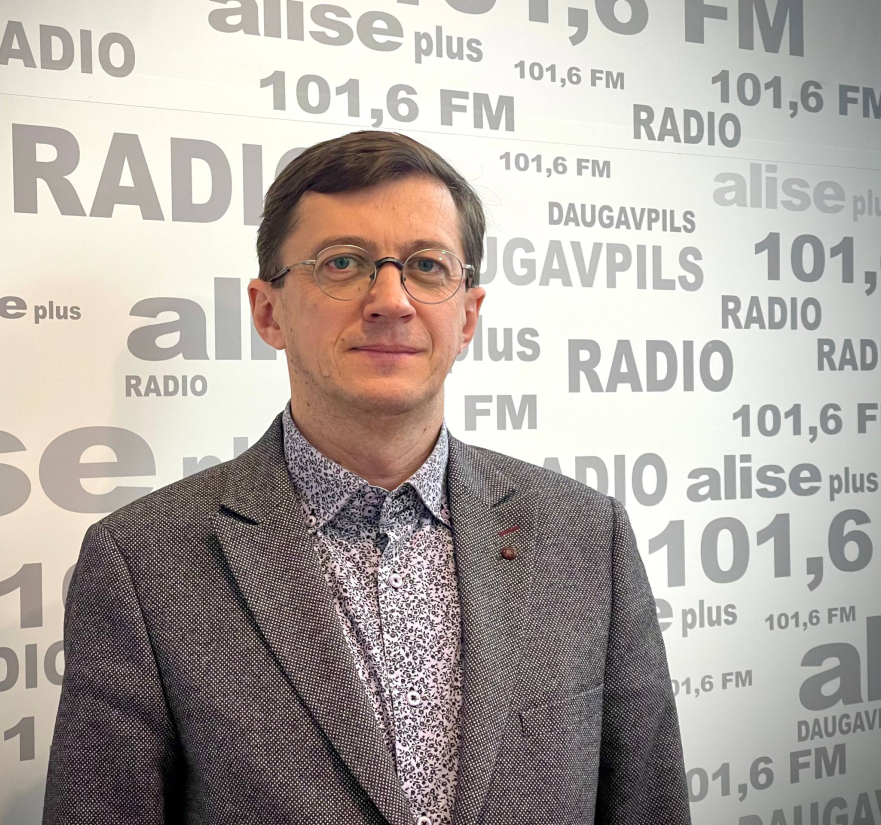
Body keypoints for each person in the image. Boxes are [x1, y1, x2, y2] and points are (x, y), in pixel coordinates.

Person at [41, 130, 692, 825]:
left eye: (427, 266)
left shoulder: (587, 535)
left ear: (467, 316)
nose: (391, 300)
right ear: (268, 311)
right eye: (343, 263)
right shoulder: (142, 561)